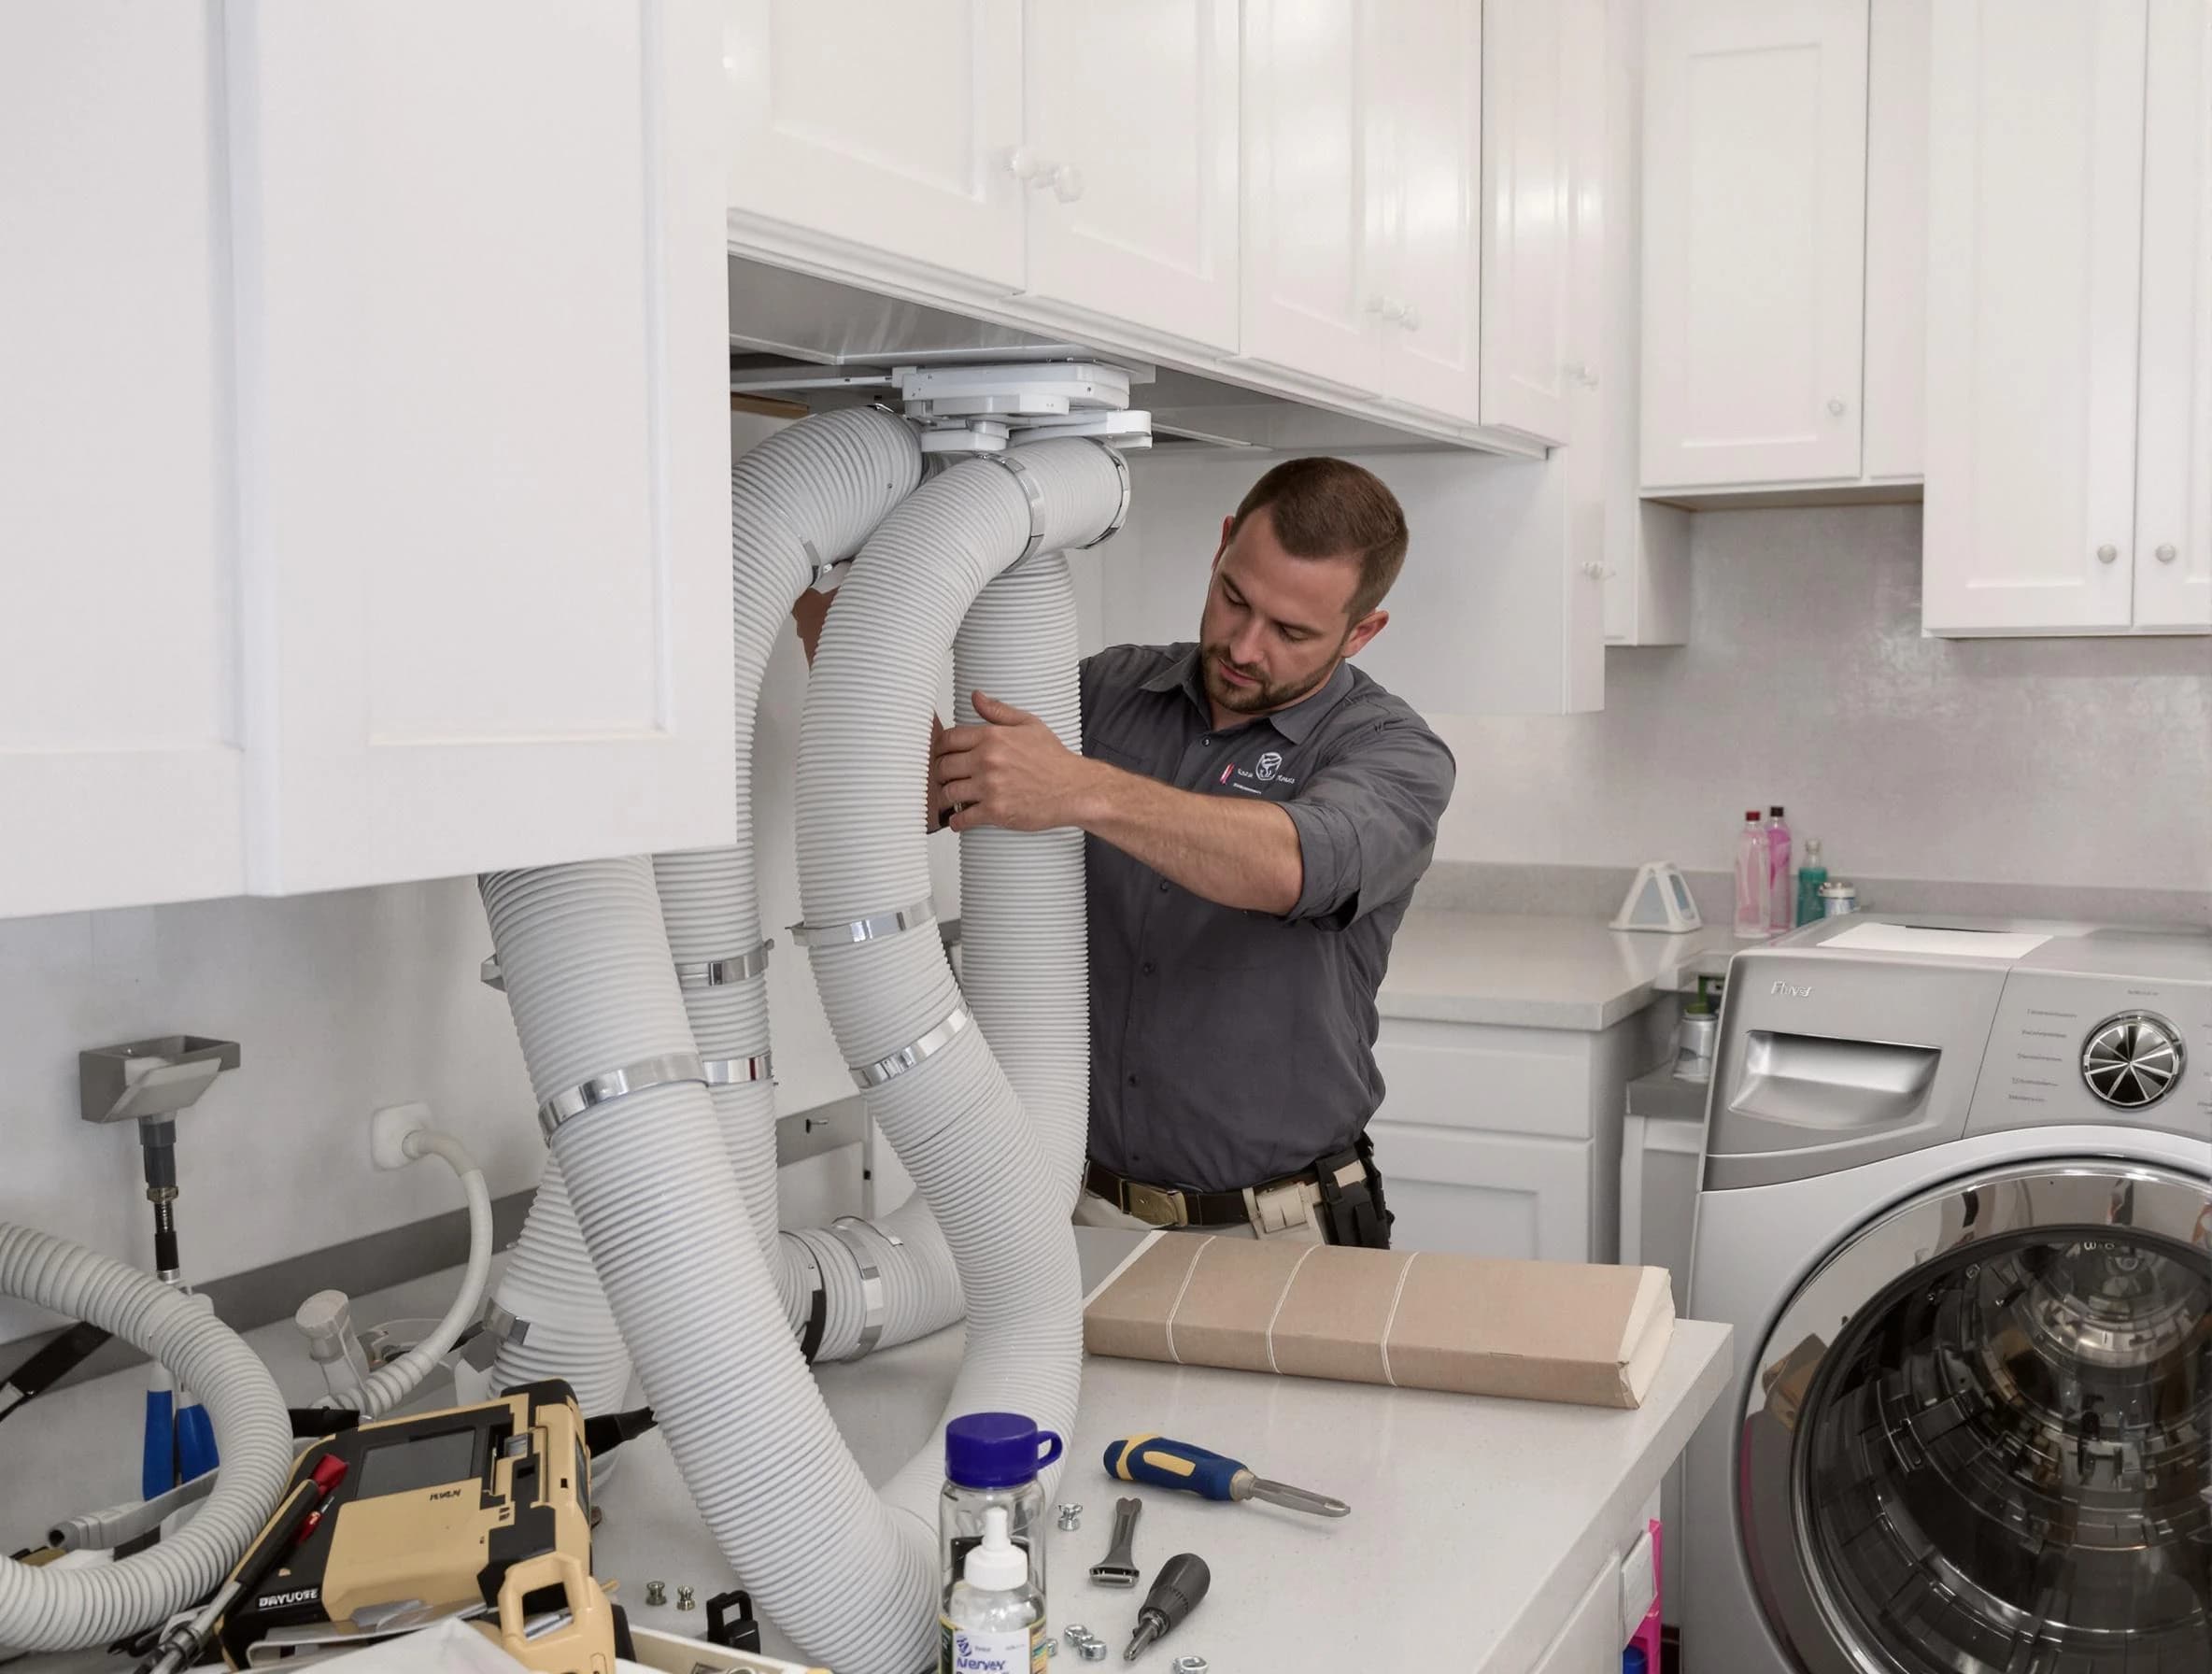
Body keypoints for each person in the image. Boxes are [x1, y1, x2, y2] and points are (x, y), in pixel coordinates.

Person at [929, 456, 1454, 1246]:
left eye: (1291, 632)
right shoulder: (1109, 692)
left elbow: (1291, 865)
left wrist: (1079, 788)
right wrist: (848, 616)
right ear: (1222, 545)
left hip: (1280, 1228)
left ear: (1362, 632)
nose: (1244, 645)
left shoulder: (1394, 752)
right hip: (1080, 1209)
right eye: (1234, 597)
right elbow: (950, 789)